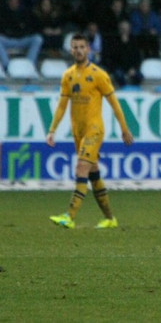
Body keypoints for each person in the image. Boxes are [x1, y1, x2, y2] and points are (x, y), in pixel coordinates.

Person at [47, 34, 134, 229]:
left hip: (94, 130)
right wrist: (52, 130)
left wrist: (124, 129)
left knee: (81, 169)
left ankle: (69, 216)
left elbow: (114, 103)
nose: (78, 50)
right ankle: (110, 219)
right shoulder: (68, 75)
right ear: (71, 50)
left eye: (81, 47)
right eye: (75, 47)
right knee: (94, 175)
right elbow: (62, 106)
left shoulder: (98, 75)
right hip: (78, 131)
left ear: (88, 50)